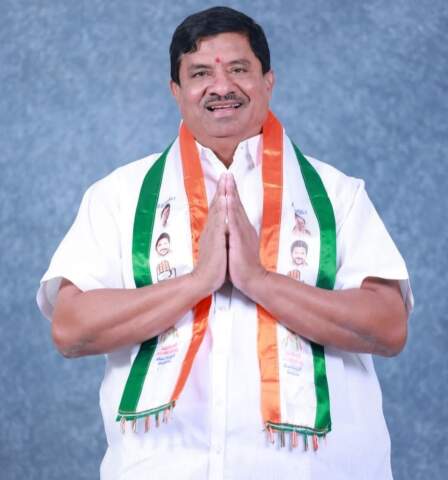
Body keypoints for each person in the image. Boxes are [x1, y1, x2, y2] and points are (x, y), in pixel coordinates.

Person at [37, 6, 413, 480]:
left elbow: (387, 327)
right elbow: (71, 329)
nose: (221, 86)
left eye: (238, 69)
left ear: (268, 81)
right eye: (199, 73)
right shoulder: (119, 196)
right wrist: (198, 282)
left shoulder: (337, 194)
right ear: (176, 91)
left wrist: (259, 280)